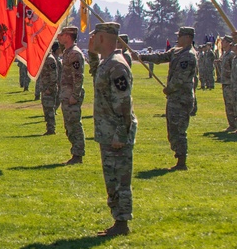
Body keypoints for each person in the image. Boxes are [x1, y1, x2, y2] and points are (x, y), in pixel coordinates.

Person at [90, 22, 137, 237]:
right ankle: (117, 219)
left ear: (102, 37)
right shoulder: (106, 63)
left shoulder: (117, 65)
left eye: (94, 36)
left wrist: (120, 132)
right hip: (107, 131)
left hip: (117, 132)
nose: (90, 40)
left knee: (120, 178)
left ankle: (122, 222)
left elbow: (123, 102)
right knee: (111, 178)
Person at [138, 27, 198, 170]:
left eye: (181, 36)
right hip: (174, 97)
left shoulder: (189, 55)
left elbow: (181, 78)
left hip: (182, 98)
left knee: (179, 129)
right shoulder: (177, 52)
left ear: (188, 38)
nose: (177, 38)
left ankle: (182, 161)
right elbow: (161, 57)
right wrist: (143, 57)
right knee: (172, 129)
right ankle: (178, 156)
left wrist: (169, 89)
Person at [58, 26, 86, 165]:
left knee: (74, 124)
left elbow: (78, 76)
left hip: (71, 95)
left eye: (62, 34)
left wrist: (75, 95)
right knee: (69, 125)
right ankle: (75, 152)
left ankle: (78, 154)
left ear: (68, 36)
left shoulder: (75, 54)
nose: (59, 36)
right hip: (66, 93)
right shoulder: (67, 53)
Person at [38, 42, 61, 135]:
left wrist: (50, 88)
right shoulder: (45, 58)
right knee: (46, 109)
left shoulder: (50, 59)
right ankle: (49, 128)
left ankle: (51, 129)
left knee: (50, 110)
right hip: (45, 88)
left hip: (49, 89)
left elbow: (54, 76)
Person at [221, 35, 236, 133]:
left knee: (233, 104)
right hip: (225, 83)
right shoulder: (225, 54)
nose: (222, 43)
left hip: (231, 83)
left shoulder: (231, 55)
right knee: (228, 105)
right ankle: (231, 125)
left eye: (223, 41)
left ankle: (235, 125)